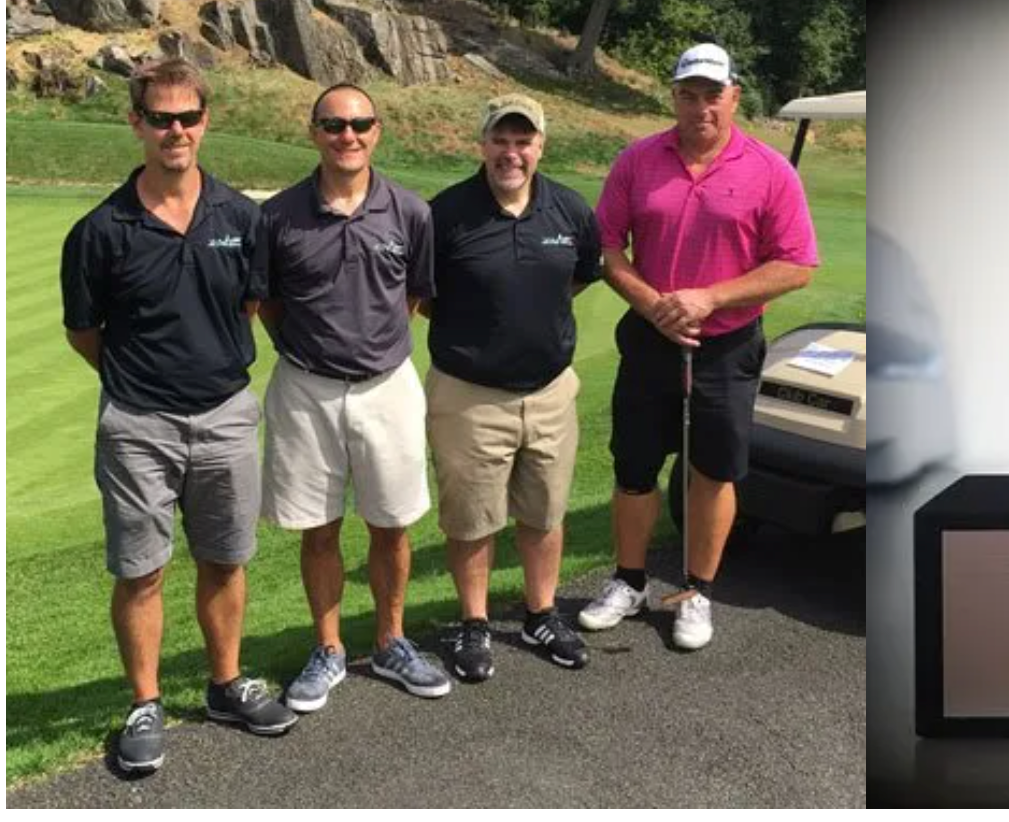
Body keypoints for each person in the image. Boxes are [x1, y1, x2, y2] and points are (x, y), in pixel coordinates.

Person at [60, 58, 298, 773]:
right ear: (135, 123)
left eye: (187, 116)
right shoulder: (101, 230)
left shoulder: (241, 217)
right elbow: (84, 331)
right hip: (137, 425)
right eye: (160, 117)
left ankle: (225, 684)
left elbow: (249, 306)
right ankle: (145, 702)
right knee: (142, 570)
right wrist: (140, 381)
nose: (175, 130)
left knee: (225, 559)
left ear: (206, 121)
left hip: (226, 414)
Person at [580, 42, 820, 650]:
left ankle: (695, 591)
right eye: (688, 94)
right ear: (674, 97)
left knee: (713, 471)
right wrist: (652, 305)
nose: (700, 107)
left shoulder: (770, 170)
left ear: (734, 96)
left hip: (727, 345)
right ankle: (629, 581)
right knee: (634, 467)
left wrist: (711, 298)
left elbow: (796, 264)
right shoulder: (637, 160)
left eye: (713, 95)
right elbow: (607, 249)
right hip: (648, 337)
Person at [255, 83, 452, 711]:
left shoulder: (411, 212)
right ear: (313, 132)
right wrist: (315, 350)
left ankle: (392, 640)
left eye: (360, 124)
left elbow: (415, 296)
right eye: (334, 125)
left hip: (387, 385)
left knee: (391, 525)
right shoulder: (278, 216)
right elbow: (269, 305)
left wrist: (370, 348)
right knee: (318, 529)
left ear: (378, 130)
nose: (348, 136)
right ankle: (330, 647)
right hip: (305, 388)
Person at [423, 95, 604, 680]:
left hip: (551, 391)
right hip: (468, 394)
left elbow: (580, 274)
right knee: (472, 519)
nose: (512, 152)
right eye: (501, 140)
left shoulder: (569, 209)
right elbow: (423, 297)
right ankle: (474, 623)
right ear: (482, 144)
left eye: (523, 141)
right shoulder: (446, 213)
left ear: (540, 146)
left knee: (544, 513)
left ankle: (540, 612)